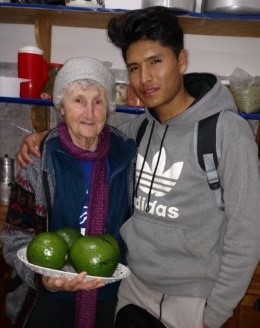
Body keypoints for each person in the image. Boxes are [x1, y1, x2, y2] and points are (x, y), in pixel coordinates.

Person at [16, 6, 260, 328]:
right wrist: (43, 139)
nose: (144, 78)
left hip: (192, 304)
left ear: (182, 61)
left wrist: (213, 315)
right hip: (129, 291)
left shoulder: (228, 133)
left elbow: (247, 233)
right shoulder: (136, 132)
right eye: (134, 67)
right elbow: (87, 132)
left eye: (155, 61)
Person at [0, 56, 136, 328]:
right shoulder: (38, 163)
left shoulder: (127, 157)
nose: (89, 112)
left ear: (108, 107)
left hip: (110, 295)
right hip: (46, 299)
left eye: (98, 101)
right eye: (78, 100)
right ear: (61, 106)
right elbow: (14, 238)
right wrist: (42, 277)